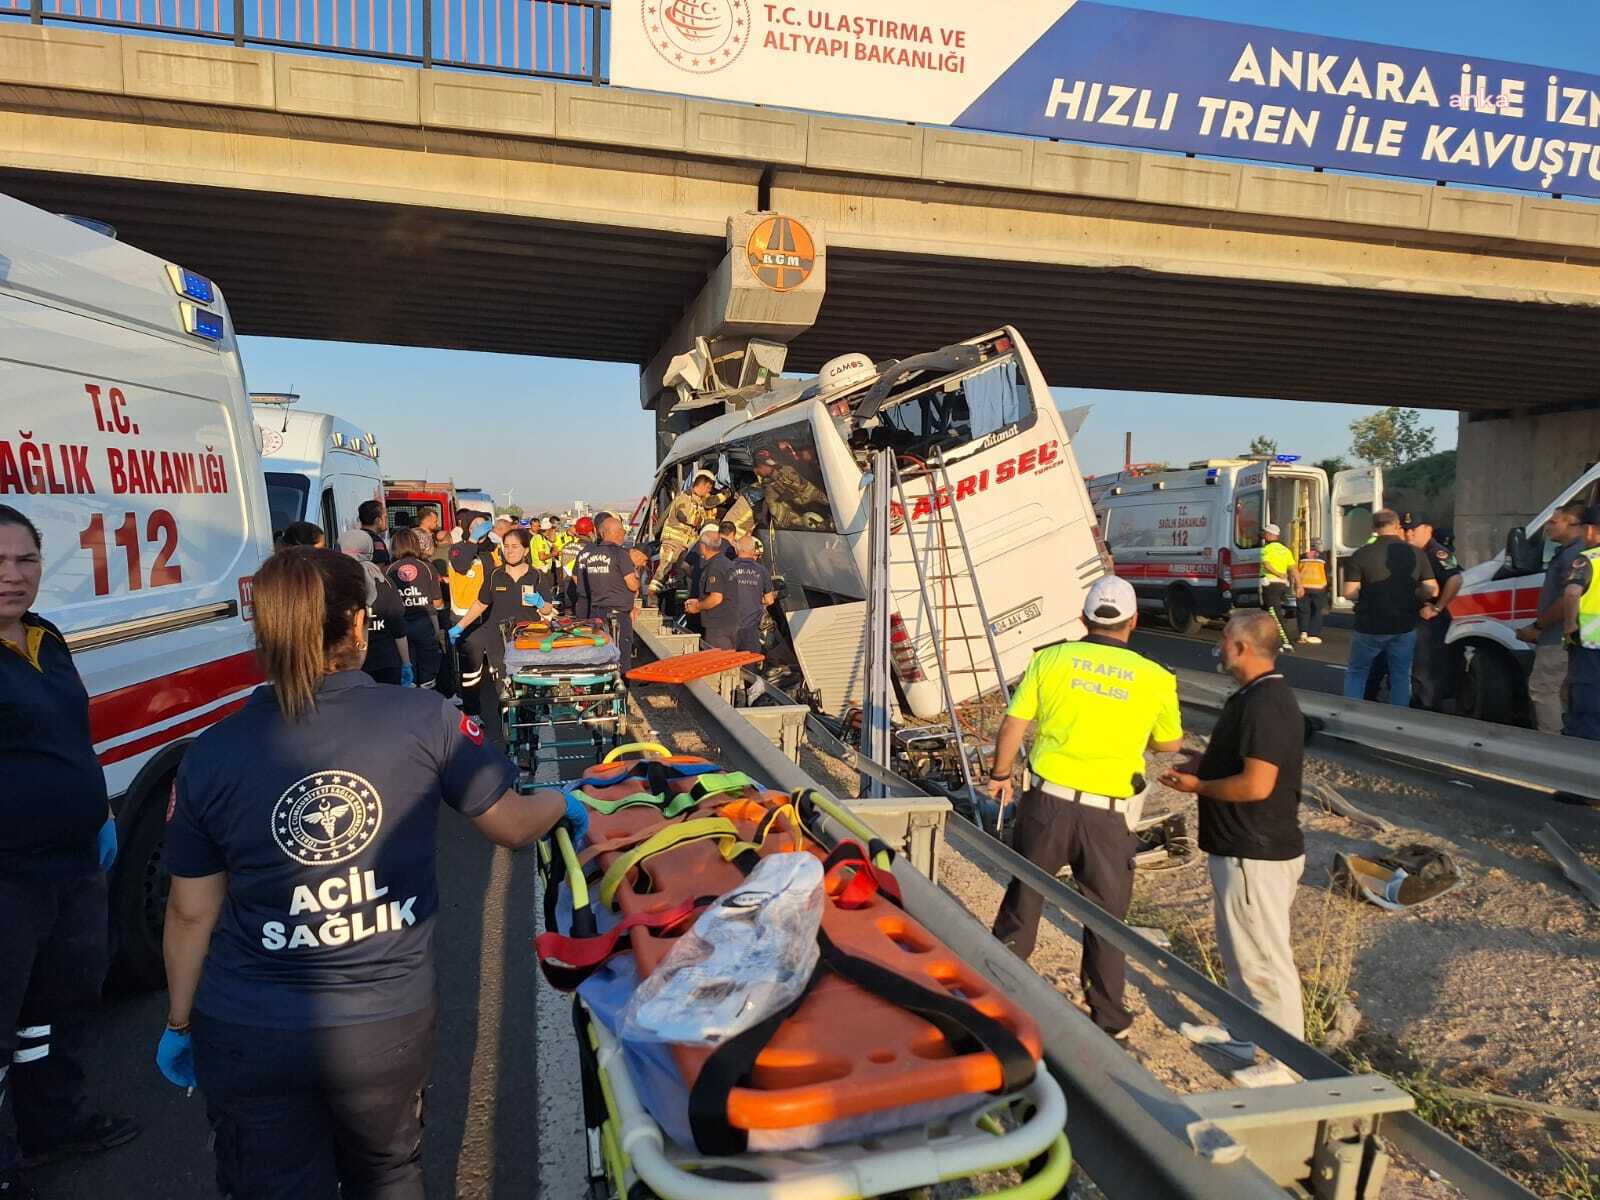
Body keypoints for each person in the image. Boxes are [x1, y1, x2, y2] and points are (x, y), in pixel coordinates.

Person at [155, 547, 586, 1200]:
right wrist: (565, 802)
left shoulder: (211, 752)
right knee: (386, 1175)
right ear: (359, 624)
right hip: (383, 1024)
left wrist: (181, 1021)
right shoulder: (425, 719)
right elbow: (512, 824)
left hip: (247, 1027)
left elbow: (191, 911)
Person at [0, 507, 139, 1200]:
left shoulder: (45, 636)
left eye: (25, 559)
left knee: (59, 1003)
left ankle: (53, 1124)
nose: (12, 575)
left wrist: (98, 810)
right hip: (9, 875)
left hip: (75, 862)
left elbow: (69, 734)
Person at [987, 576, 1183, 1040]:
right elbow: (1169, 743)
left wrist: (1000, 775)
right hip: (1107, 817)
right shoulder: (1156, 676)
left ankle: (994, 993)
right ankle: (1108, 1018)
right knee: (1107, 920)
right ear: (1134, 621)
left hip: (1046, 805)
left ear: (1083, 619)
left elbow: (1014, 724)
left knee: (1024, 899)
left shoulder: (1051, 659)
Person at [1161, 612, 1306, 1042]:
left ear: (1242, 647)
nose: (1219, 645)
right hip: (1238, 849)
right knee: (1240, 954)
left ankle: (1286, 1063)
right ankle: (1242, 1035)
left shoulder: (1266, 704)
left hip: (1255, 853)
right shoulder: (1249, 697)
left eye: (1225, 638)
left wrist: (1199, 786)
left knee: (1265, 959)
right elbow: (1242, 762)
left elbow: (1257, 784)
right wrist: (1204, 765)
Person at [1341, 509, 1437, 708]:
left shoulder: (1361, 554)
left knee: (1358, 672)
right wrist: (1414, 595)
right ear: (1397, 526)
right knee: (1401, 675)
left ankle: (1352, 713)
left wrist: (1369, 595)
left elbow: (1349, 592)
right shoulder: (1416, 553)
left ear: (1373, 527)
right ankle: (1398, 717)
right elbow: (1431, 589)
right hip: (1404, 624)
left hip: (1368, 624)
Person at [1517, 501, 1587, 734]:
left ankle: (1552, 745)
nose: (1548, 526)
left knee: (1544, 689)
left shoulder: (1574, 556)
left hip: (1558, 638)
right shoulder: (1570, 553)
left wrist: (1539, 626)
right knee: (1564, 693)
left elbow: (1566, 599)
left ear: (1573, 523)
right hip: (1568, 637)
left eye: (1554, 522)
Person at [337, 530, 412, 687]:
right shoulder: (384, 581)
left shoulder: (335, 582)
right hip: (386, 662)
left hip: (348, 665)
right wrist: (406, 663)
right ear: (369, 551)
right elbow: (398, 628)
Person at [1403, 516, 1463, 712]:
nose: (1409, 534)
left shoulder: (1438, 552)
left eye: (1414, 529)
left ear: (1427, 529)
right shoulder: (1414, 552)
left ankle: (1427, 708)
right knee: (1416, 665)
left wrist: (1438, 607)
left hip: (1430, 619)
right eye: (1406, 529)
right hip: (1414, 615)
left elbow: (1455, 579)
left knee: (1426, 666)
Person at [575, 516, 641, 672]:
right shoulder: (620, 554)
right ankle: (621, 685)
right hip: (617, 617)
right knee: (621, 660)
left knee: (600, 658)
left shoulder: (591, 555)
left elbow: (579, 580)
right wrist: (637, 577)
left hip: (596, 614)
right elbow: (632, 584)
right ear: (616, 533)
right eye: (623, 531)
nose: (624, 535)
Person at [690, 535, 775, 653]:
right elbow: (769, 600)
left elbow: (717, 596)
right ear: (753, 551)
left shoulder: (727, 566)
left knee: (723, 660)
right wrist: (754, 599)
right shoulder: (762, 571)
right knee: (749, 661)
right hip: (750, 628)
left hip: (725, 626)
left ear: (736, 550)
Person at [650, 470, 725, 597]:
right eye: (708, 488)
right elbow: (683, 515)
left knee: (682, 574)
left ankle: (681, 602)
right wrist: (703, 521)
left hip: (686, 544)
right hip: (673, 542)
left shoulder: (699, 502)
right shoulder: (684, 497)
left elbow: (711, 502)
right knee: (664, 569)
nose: (709, 491)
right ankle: (652, 598)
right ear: (702, 485)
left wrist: (724, 496)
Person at [386, 529, 445, 690]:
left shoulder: (389, 570)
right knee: (428, 676)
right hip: (424, 624)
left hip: (400, 628)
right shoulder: (428, 567)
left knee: (407, 677)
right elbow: (436, 602)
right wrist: (437, 629)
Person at [1561, 505, 1600, 741]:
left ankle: (1583, 755)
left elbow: (1572, 592)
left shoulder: (1587, 560)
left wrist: (1569, 626)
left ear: (1591, 530)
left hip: (1589, 645)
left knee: (1587, 706)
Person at [1258, 524, 1298, 652]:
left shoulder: (1266, 549)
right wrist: (1299, 585)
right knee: (1269, 614)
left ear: (1270, 535)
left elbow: (1267, 565)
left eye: (1265, 533)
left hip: (1270, 585)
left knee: (1274, 614)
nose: (1264, 535)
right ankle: (1271, 641)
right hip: (1282, 585)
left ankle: (1286, 642)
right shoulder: (1286, 550)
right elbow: (1293, 569)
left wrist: (1278, 573)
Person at [1294, 539, 1329, 645]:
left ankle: (1303, 633)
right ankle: (1313, 634)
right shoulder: (1323, 557)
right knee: (1316, 610)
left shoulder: (1301, 556)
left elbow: (1296, 570)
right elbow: (1327, 571)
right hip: (1318, 586)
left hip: (1303, 586)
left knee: (1303, 610)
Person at [358, 500, 390, 566]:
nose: (387, 521)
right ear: (378, 521)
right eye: (385, 517)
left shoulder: (356, 537)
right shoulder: (376, 541)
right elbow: (380, 568)